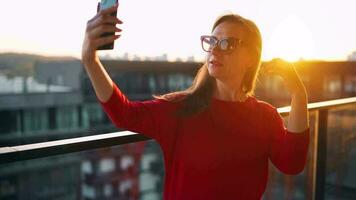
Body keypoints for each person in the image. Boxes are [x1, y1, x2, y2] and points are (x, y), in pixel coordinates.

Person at [81, 3, 310, 200]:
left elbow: (292, 163)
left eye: (227, 43)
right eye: (212, 41)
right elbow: (124, 113)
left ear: (251, 57)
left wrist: (299, 94)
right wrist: (90, 59)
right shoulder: (181, 110)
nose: (215, 51)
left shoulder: (265, 116)